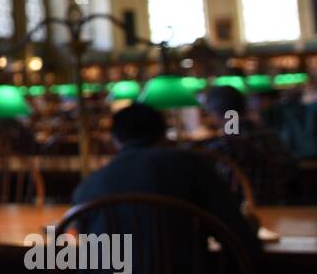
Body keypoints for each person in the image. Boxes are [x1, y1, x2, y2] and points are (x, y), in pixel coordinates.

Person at [73, 103, 259, 251]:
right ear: (163, 134)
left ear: (114, 141)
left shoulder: (89, 186)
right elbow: (237, 237)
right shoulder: (191, 165)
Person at [200, 84, 298, 205]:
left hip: (237, 213)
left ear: (216, 113)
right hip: (276, 208)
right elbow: (291, 168)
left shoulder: (225, 145)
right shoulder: (270, 136)